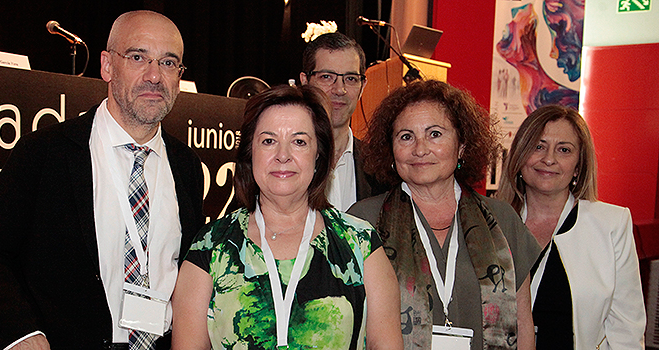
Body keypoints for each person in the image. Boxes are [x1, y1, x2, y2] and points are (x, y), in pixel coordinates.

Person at [0, 10, 204, 350]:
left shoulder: (186, 164)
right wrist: (20, 333)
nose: (154, 76)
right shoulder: (44, 153)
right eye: (137, 57)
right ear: (106, 66)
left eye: (169, 62)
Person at [172, 85, 402, 350]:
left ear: (318, 155)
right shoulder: (211, 246)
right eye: (268, 141)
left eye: (299, 142)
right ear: (250, 153)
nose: (283, 155)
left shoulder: (360, 244)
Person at [347, 80, 541, 350]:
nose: (420, 149)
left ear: (462, 145)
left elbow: (522, 324)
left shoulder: (501, 219)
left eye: (435, 134)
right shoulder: (362, 222)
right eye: (406, 136)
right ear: (391, 149)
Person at [496, 105, 646, 349]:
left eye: (564, 150)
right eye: (538, 146)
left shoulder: (610, 225)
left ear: (578, 166)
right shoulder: (491, 222)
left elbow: (626, 331)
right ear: (520, 155)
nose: (549, 158)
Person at [300, 32, 387, 211]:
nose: (340, 89)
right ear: (305, 82)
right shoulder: (283, 161)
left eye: (350, 79)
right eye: (326, 77)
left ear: (362, 88)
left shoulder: (380, 168)